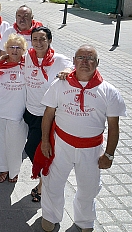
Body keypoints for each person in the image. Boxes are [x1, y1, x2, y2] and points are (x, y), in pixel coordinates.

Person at [35, 45, 126, 232]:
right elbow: (48, 113)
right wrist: (45, 141)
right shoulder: (60, 84)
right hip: (61, 145)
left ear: (98, 63)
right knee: (53, 182)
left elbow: (114, 127)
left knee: (89, 188)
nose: (85, 62)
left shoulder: (109, 91)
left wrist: (109, 155)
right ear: (74, 61)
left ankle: (84, 221)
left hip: (91, 149)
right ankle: (51, 216)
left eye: (90, 58)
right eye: (81, 57)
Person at [24, 26, 73, 203]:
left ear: (50, 40)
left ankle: (45, 184)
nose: (38, 42)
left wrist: (68, 72)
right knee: (37, 150)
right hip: (29, 112)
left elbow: (74, 69)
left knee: (33, 149)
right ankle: (46, 180)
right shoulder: (27, 57)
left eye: (42, 39)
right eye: (35, 39)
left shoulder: (59, 60)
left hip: (47, 116)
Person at [0, 34, 27, 183]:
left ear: (24, 50)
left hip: (17, 111)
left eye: (18, 47)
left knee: (15, 144)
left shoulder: (29, 65)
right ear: (6, 49)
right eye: (11, 47)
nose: (15, 50)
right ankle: (3, 168)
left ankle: (14, 170)